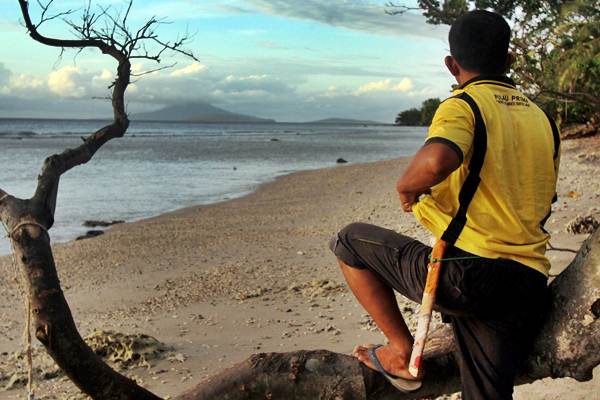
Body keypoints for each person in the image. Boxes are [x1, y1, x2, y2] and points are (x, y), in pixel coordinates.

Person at [329, 9, 560, 400]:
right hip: (527, 281)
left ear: (451, 65)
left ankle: (401, 352)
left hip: (469, 277)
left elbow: (437, 160)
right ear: (509, 61)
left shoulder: (464, 104)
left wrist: (407, 186)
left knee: (349, 241)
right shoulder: (542, 118)